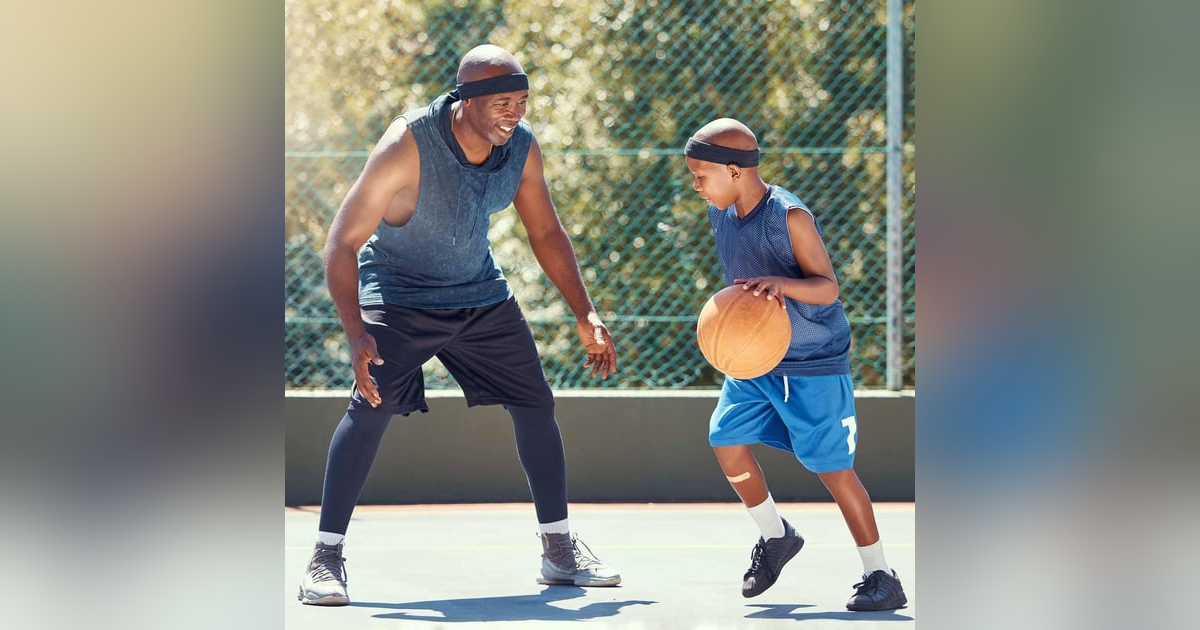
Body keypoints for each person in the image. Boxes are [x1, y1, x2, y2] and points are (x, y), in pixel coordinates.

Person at [298, 44, 621, 606]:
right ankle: (325, 558)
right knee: (371, 402)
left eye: (521, 101)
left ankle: (558, 549)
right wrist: (356, 331)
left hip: (478, 292)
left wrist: (584, 312)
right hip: (399, 292)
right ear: (465, 101)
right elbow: (343, 241)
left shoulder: (519, 148)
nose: (514, 113)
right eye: (502, 102)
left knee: (536, 403)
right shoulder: (408, 144)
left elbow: (546, 233)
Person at [683, 118, 907, 611]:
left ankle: (881, 575)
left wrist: (782, 284)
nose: (696, 186)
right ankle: (777, 536)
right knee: (726, 443)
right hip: (756, 362)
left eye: (701, 176)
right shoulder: (722, 214)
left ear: (735, 171)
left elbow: (827, 286)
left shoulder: (789, 217)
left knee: (833, 470)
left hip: (812, 364)